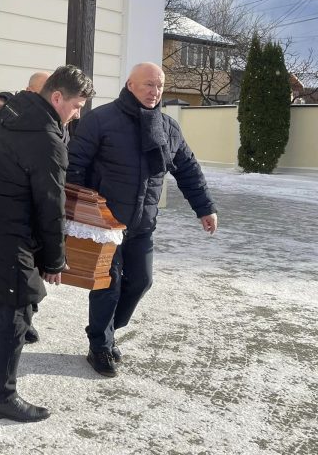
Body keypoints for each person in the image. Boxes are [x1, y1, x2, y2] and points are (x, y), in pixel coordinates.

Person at [0, 65, 95, 423]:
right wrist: (54, 260)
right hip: (10, 237)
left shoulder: (4, 113)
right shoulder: (47, 141)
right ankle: (1, 397)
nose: (77, 115)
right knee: (17, 313)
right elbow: (50, 206)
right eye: (76, 106)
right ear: (56, 97)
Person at [67, 62, 218, 378]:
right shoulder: (101, 120)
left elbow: (188, 169)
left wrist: (205, 208)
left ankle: (107, 329)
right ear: (130, 85)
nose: (155, 91)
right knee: (109, 284)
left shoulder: (167, 128)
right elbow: (74, 166)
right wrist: (79, 214)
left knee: (141, 281)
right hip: (105, 224)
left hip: (143, 224)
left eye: (160, 85)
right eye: (149, 84)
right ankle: (100, 346)